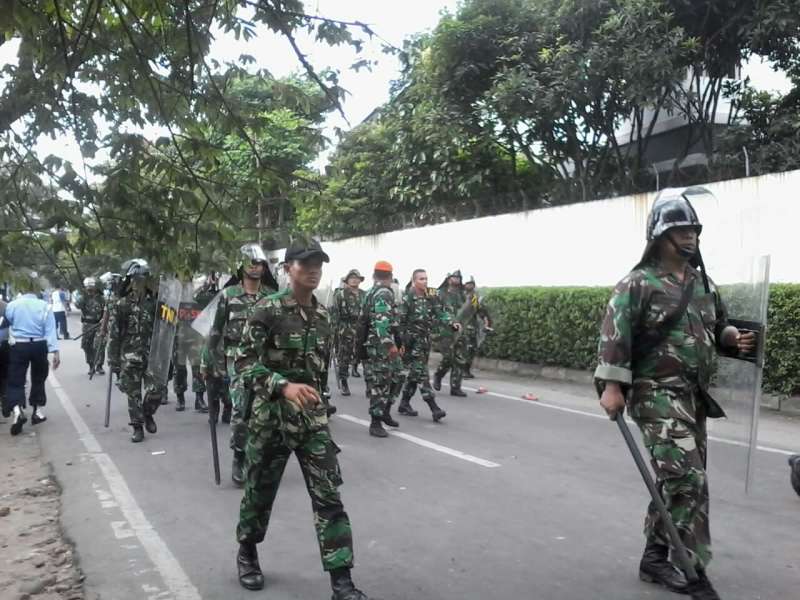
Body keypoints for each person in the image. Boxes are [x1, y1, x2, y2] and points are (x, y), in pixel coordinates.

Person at [594, 188, 756, 600]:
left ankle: (654, 557)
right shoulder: (637, 284)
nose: (689, 237)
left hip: (693, 395)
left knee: (675, 479)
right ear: (659, 236)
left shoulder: (702, 284)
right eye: (680, 230)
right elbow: (615, 336)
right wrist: (612, 386)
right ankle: (691, 568)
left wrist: (732, 337)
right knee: (687, 477)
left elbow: (716, 327)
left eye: (693, 231)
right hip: (655, 395)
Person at [234, 237, 374, 600]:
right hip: (272, 420)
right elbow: (244, 363)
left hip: (311, 424)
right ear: (287, 269)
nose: (313, 270)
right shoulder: (267, 309)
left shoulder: (323, 315)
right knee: (259, 493)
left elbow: (317, 372)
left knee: (329, 499)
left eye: (318, 264)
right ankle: (247, 551)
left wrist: (320, 404)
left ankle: (341, 582)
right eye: (304, 264)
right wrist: (283, 386)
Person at [201, 244, 276, 486]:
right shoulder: (228, 295)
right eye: (250, 262)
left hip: (266, 362)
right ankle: (239, 456)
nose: (255, 266)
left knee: (265, 414)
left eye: (259, 263)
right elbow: (215, 331)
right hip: (238, 361)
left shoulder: (271, 297)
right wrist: (206, 360)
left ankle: (260, 458)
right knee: (241, 410)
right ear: (241, 267)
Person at [107, 259, 165, 443]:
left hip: (151, 355)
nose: (139, 282)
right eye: (136, 279)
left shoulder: (155, 304)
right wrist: (113, 360)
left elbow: (165, 328)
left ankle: (148, 413)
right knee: (133, 394)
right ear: (131, 281)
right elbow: (115, 334)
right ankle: (137, 426)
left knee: (157, 390)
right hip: (130, 356)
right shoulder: (122, 304)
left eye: (143, 279)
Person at [398, 269, 458, 421]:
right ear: (413, 281)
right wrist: (401, 343)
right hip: (412, 343)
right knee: (422, 373)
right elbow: (400, 323)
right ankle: (434, 407)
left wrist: (451, 322)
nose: (424, 282)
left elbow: (440, 312)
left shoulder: (431, 296)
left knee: (414, 375)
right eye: (421, 279)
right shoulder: (407, 298)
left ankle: (404, 403)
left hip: (425, 341)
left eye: (426, 279)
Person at [3, 283, 60, 435]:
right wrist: (55, 352)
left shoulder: (12, 305)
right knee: (39, 377)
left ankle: (17, 410)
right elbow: (50, 330)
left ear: (21, 290)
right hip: (39, 344)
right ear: (37, 291)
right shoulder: (45, 306)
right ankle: (37, 411)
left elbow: (7, 324)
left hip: (18, 345)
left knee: (15, 379)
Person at [361, 260, 404, 438]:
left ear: (374, 275)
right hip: (380, 345)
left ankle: (385, 410)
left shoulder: (370, 291)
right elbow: (381, 322)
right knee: (379, 382)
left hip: (376, 342)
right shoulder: (384, 292)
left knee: (399, 375)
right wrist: (390, 344)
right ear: (391, 276)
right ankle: (375, 422)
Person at [173, 275, 215, 413]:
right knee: (179, 369)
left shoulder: (199, 296)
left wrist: (210, 286)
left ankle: (199, 398)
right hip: (178, 339)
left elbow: (210, 306)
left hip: (195, 338)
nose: (184, 281)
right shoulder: (173, 298)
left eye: (187, 278)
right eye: (181, 278)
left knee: (198, 369)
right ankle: (180, 397)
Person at [329, 269, 366, 396]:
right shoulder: (341, 294)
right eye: (352, 277)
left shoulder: (364, 294)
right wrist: (334, 332)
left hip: (361, 329)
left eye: (357, 278)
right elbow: (335, 314)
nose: (354, 280)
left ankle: (371, 384)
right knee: (344, 357)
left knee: (365, 356)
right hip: (346, 329)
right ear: (347, 280)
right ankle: (344, 382)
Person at [433, 270, 468, 396]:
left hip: (460, 330)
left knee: (460, 359)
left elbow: (472, 308)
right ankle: (438, 375)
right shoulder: (439, 293)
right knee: (448, 357)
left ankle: (455, 387)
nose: (457, 279)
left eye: (459, 277)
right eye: (455, 277)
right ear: (448, 279)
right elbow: (437, 310)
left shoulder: (463, 294)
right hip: (445, 331)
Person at [459, 277, 492, 379]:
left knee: (470, 349)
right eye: (468, 283)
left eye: (472, 284)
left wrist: (486, 320)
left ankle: (465, 370)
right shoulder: (458, 295)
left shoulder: (473, 297)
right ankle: (459, 370)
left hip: (470, 327)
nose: (470, 286)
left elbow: (479, 309)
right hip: (458, 327)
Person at [76, 277, 106, 376]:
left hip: (99, 324)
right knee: (87, 345)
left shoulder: (101, 298)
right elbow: (77, 305)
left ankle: (99, 366)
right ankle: (91, 365)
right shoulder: (84, 298)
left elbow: (107, 310)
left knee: (99, 344)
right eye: (88, 288)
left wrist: (104, 321)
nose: (90, 289)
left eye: (91, 287)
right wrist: (84, 295)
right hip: (87, 325)